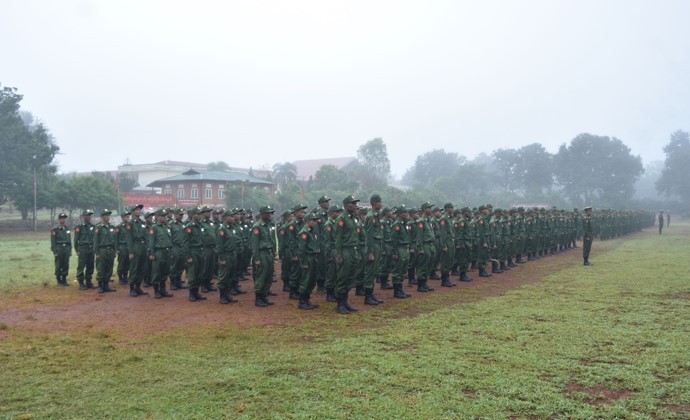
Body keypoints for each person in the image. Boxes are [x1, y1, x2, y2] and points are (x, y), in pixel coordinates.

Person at [334, 195, 363, 314]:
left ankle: (345, 302)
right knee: (343, 277)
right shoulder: (341, 219)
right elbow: (338, 238)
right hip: (345, 251)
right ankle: (340, 304)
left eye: (356, 203)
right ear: (346, 205)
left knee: (351, 277)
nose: (356, 205)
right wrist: (339, 254)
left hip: (353, 250)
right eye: (353, 203)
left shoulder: (354, 219)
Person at [251, 205, 277, 307]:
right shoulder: (257, 227)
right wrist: (257, 258)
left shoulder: (267, 225)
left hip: (268, 253)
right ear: (262, 214)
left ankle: (264, 296)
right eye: (268, 213)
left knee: (268, 276)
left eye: (270, 213)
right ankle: (258, 299)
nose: (270, 215)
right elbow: (255, 244)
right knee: (261, 277)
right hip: (261, 254)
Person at [147, 208, 174, 299]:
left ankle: (163, 290)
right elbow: (151, 241)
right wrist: (152, 253)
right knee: (156, 272)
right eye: (162, 216)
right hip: (158, 252)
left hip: (167, 251)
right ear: (157, 217)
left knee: (165, 272)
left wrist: (171, 251)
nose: (164, 217)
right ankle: (156, 291)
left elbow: (170, 240)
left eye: (165, 216)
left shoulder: (167, 227)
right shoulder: (154, 227)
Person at [297, 213, 321, 309]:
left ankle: (307, 300)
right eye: (313, 220)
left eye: (315, 221)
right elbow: (301, 249)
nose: (315, 222)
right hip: (308, 258)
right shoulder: (304, 232)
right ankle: (302, 302)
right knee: (306, 280)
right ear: (307, 221)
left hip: (313, 257)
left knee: (312, 279)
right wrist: (304, 262)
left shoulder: (311, 231)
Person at [94, 209, 117, 293]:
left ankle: (106, 285)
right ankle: (100, 285)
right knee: (101, 268)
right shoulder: (98, 227)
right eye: (106, 215)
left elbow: (114, 240)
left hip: (110, 250)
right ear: (102, 217)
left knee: (109, 268)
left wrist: (115, 250)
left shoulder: (112, 227)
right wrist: (97, 253)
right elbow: (96, 241)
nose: (107, 217)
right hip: (102, 249)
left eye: (108, 215)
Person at [73, 209, 95, 289]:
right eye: (87, 215)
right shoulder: (79, 227)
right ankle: (81, 282)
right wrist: (77, 250)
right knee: (81, 266)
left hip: (91, 248)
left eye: (89, 215)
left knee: (90, 265)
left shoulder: (93, 226)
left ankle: (88, 281)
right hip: (83, 249)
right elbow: (76, 240)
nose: (88, 217)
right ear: (83, 216)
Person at [50, 212, 72, 286]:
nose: (63, 220)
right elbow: (53, 241)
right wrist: (54, 251)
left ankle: (64, 279)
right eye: (61, 218)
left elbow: (69, 240)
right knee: (58, 264)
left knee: (66, 264)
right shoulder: (55, 229)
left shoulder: (67, 229)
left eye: (64, 218)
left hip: (66, 248)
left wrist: (70, 250)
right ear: (59, 220)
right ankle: (59, 280)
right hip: (59, 248)